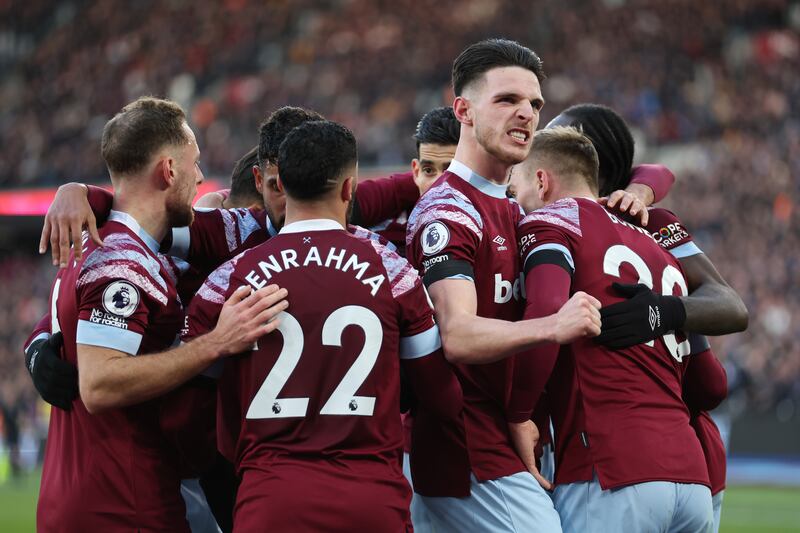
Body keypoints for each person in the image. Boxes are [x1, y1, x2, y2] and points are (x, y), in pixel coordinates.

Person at [183, 119, 463, 532]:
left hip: (271, 501)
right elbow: (441, 396)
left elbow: (186, 416)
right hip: (372, 502)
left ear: (279, 185)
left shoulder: (227, 280)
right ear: (350, 189)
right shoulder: (393, 271)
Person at [29, 97, 287, 533]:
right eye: (195, 164)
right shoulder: (124, 264)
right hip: (124, 503)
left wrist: (78, 191)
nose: (202, 178)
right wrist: (218, 342)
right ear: (168, 171)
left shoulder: (94, 245)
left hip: (77, 496)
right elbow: (100, 384)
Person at [404, 38, 602, 532]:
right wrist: (553, 325)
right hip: (466, 445)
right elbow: (460, 336)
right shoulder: (447, 211)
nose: (527, 114)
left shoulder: (514, 210)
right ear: (464, 111)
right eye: (507, 100)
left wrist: (638, 192)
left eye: (535, 103)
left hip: (505, 434)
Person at [512, 126, 713, 532]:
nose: (515, 202)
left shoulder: (551, 220)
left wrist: (519, 414)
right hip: (692, 476)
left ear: (541, 180)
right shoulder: (654, 237)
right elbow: (711, 382)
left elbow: (548, 312)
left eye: (515, 189)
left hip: (612, 468)